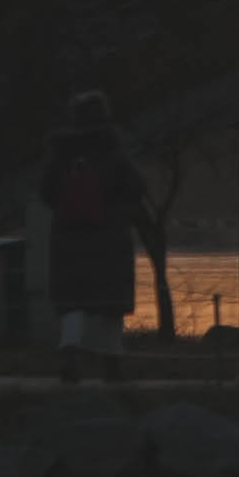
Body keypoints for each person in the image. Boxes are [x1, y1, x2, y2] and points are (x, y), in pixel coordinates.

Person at [40, 90, 155, 382]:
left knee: (72, 303)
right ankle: (112, 364)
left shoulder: (61, 153)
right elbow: (138, 187)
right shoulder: (111, 150)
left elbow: (45, 193)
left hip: (68, 240)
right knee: (110, 304)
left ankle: (69, 353)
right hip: (109, 238)